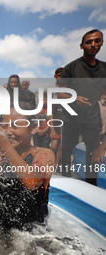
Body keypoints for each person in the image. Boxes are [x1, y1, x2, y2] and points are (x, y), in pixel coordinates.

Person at [0, 103, 55, 230]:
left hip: (29, 231)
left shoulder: (43, 154)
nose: (8, 132)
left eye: (15, 126)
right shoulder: (1, 153)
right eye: (5, 126)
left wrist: (4, 146)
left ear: (33, 128)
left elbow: (32, 183)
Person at [58, 29, 106, 185]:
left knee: (94, 155)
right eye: (88, 42)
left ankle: (91, 187)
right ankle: (66, 184)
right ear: (82, 45)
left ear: (102, 43)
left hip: (92, 120)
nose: (93, 45)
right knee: (66, 154)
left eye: (97, 41)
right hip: (71, 119)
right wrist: (74, 99)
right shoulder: (71, 68)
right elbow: (60, 93)